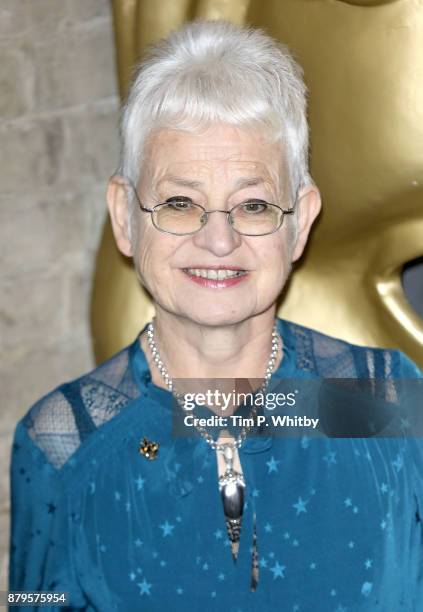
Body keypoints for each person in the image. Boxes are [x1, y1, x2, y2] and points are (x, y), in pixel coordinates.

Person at [9, 20, 422, 612]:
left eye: (253, 205)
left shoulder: (387, 399)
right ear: (125, 216)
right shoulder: (62, 443)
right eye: (181, 203)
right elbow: (31, 602)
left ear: (299, 222)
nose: (219, 241)